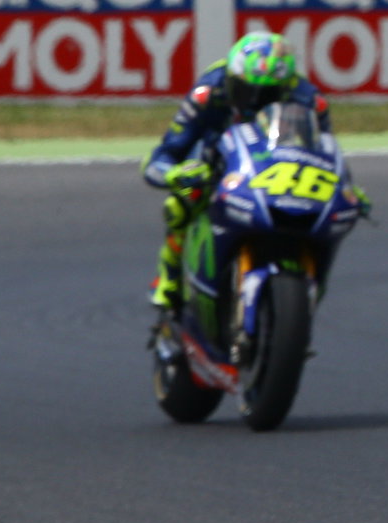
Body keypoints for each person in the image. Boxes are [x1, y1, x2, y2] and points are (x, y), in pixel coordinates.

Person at [139, 32, 339, 313]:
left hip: (279, 168)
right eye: (245, 91)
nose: (253, 102)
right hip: (218, 163)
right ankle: (169, 278)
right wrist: (175, 173)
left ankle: (310, 282)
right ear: (231, 79)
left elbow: (323, 152)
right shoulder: (208, 92)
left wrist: (343, 187)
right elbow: (166, 153)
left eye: (267, 96)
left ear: (285, 88)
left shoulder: (309, 99)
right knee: (181, 203)